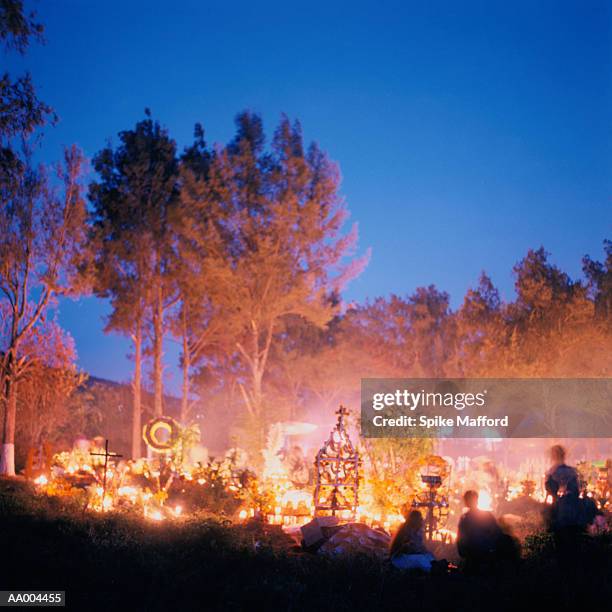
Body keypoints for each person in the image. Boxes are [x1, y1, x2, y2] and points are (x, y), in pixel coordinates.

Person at [544, 445, 587, 565]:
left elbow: (550, 492)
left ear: (553, 456)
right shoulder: (572, 472)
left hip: (559, 513)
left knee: (561, 548)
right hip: (574, 513)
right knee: (574, 547)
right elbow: (578, 490)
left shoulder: (551, 473)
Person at [456, 490, 503, 573]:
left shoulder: (465, 519)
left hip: (473, 557)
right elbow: (497, 533)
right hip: (486, 556)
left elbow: (461, 539)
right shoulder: (486, 516)